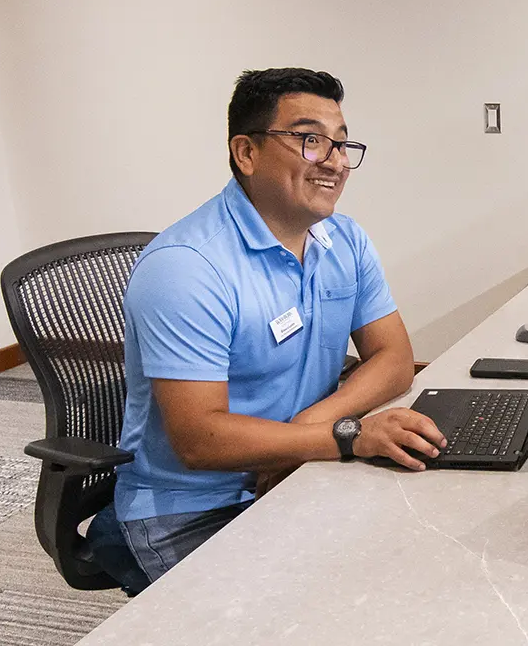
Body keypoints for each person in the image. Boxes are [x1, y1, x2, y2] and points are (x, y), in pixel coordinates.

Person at [88, 68, 447, 593]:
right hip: (193, 510)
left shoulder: (343, 239)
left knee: (411, 568)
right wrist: (340, 439)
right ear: (246, 153)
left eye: (343, 144)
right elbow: (199, 440)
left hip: (299, 468)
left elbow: (394, 358)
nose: (335, 161)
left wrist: (305, 438)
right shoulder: (187, 267)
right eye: (310, 140)